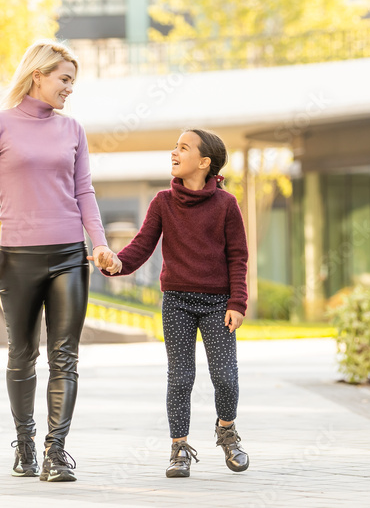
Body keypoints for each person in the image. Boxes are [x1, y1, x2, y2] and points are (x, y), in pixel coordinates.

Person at [0, 39, 117, 482]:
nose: (70, 88)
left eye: (73, 81)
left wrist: (100, 243)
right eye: (64, 79)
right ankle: (26, 442)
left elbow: (84, 191)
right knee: (22, 353)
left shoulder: (73, 130)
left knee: (65, 356)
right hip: (17, 258)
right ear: (39, 75)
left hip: (69, 255)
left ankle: (56, 451)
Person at [98, 128, 250, 478]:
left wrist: (237, 302)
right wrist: (117, 263)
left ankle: (226, 431)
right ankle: (179, 448)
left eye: (183, 148)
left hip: (217, 303)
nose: (174, 153)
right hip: (177, 302)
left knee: (225, 378)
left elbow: (238, 257)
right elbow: (140, 246)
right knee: (180, 378)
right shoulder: (163, 202)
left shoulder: (226, 205)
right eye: (175, 147)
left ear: (204, 161)